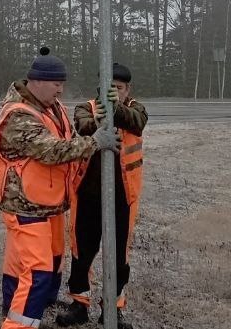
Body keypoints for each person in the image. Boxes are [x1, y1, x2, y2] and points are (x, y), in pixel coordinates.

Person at [0, 47, 120, 329]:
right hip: (25, 205)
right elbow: (52, 150)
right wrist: (96, 142)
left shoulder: (52, 106)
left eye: (62, 84)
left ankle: (37, 303)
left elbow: (68, 137)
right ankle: (18, 324)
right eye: (56, 84)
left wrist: (94, 128)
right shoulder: (18, 115)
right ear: (36, 81)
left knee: (48, 259)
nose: (61, 90)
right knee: (37, 270)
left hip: (48, 201)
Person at [56, 63, 147, 329]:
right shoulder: (86, 108)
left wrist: (115, 108)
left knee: (119, 257)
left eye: (119, 88)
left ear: (127, 89)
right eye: (109, 87)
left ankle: (113, 309)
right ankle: (79, 304)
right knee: (81, 252)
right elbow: (83, 127)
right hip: (88, 195)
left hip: (122, 198)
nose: (114, 92)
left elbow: (137, 123)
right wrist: (101, 116)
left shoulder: (136, 109)